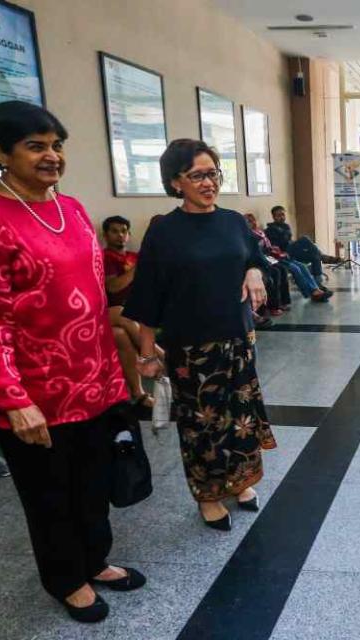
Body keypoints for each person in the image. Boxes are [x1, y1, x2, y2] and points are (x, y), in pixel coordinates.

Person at [0, 101, 146, 623]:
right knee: (50, 492)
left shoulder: (71, 209)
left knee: (94, 482)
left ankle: (94, 560)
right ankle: (65, 578)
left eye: (56, 145)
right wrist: (12, 400)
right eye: (36, 146)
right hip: (34, 394)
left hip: (94, 379)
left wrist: (125, 356)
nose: (52, 156)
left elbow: (94, 295)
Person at [123, 139, 277, 531]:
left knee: (241, 418)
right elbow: (147, 296)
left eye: (213, 173)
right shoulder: (165, 231)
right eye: (197, 176)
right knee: (202, 426)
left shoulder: (233, 221)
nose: (209, 183)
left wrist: (255, 270)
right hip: (191, 348)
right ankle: (208, 494)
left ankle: (240, 483)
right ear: (176, 183)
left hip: (239, 339)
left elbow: (254, 258)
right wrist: (146, 352)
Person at [101, 215, 162, 414]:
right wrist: (137, 269)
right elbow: (113, 287)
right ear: (105, 234)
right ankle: (159, 355)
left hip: (131, 314)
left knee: (119, 334)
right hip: (107, 311)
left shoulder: (135, 256)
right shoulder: (105, 257)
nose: (120, 235)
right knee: (121, 312)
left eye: (124, 231)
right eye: (114, 231)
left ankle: (138, 393)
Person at [265, 205, 333, 289]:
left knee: (315, 256)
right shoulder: (270, 230)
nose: (282, 217)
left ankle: (318, 284)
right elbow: (278, 245)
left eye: (283, 214)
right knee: (304, 239)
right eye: (279, 215)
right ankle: (323, 256)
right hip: (283, 253)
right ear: (274, 217)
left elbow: (289, 241)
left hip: (292, 251)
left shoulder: (286, 226)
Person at [244, 213, 292, 316]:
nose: (251, 223)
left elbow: (267, 247)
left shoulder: (260, 232)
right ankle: (273, 306)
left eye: (252, 220)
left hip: (267, 257)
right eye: (248, 221)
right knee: (275, 273)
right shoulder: (245, 236)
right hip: (255, 263)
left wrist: (272, 249)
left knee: (282, 269)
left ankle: (283, 302)